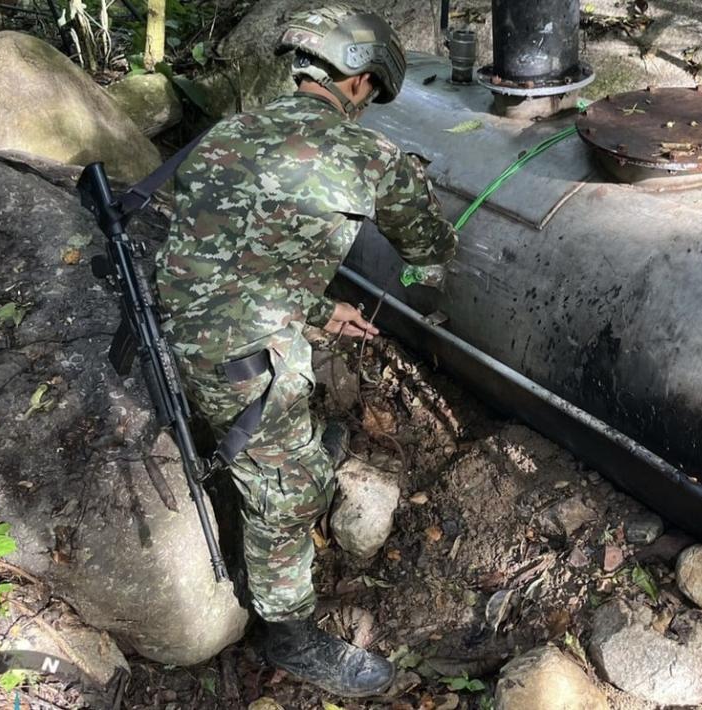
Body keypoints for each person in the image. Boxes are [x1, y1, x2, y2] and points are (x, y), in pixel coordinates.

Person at [153, 4, 458, 698]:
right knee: (288, 499)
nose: (369, 105)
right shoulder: (371, 157)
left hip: (193, 333)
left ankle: (288, 454)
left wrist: (323, 309)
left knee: (281, 437)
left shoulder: (229, 135)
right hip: (245, 360)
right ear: (357, 81)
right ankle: (289, 635)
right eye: (373, 93)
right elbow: (431, 249)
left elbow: (215, 261)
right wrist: (422, 279)